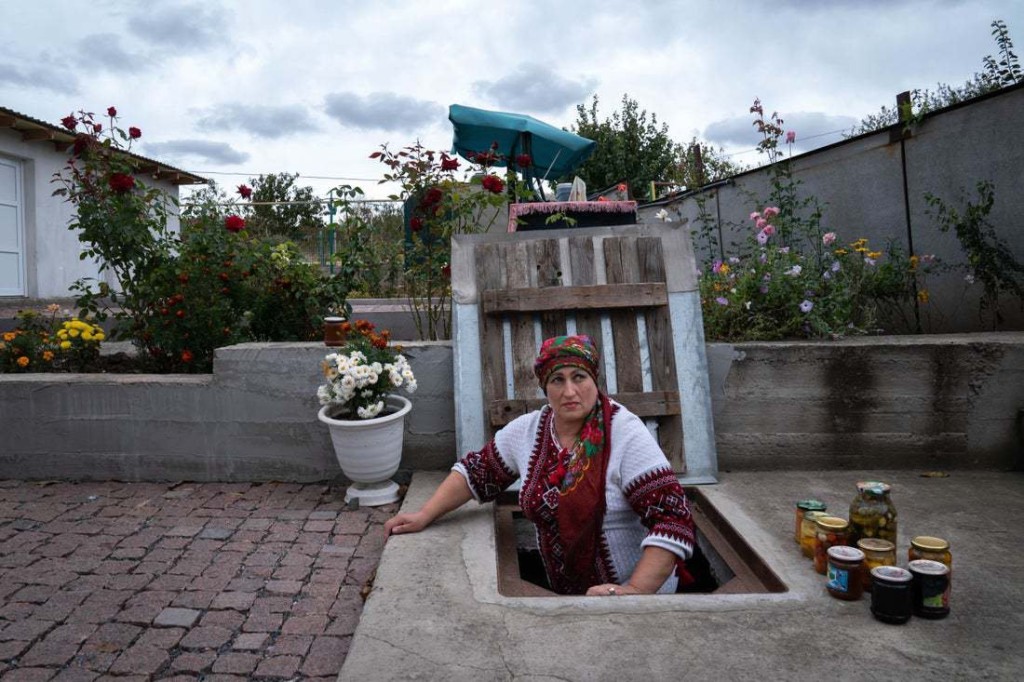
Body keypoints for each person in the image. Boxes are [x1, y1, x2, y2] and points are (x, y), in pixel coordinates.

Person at [383, 334, 695, 596]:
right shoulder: (530, 430)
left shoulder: (626, 434)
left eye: (579, 377)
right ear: (545, 387)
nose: (569, 391)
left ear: (594, 380)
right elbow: (477, 473)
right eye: (557, 380)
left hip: (633, 595)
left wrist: (633, 591)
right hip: (565, 595)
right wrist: (425, 514)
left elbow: (673, 521)